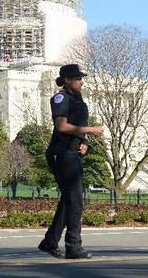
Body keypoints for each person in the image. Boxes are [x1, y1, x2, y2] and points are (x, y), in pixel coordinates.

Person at [38, 64, 104, 259]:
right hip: (62, 153)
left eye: (81, 78)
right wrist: (91, 131)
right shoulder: (61, 98)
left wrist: (85, 141)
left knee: (69, 200)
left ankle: (50, 242)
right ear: (67, 79)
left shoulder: (78, 99)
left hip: (72, 152)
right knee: (75, 201)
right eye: (77, 78)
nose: (81, 81)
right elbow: (62, 126)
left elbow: (78, 127)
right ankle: (73, 246)